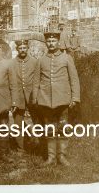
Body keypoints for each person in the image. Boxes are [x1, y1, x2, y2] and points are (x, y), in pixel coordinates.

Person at [32, 31, 80, 167]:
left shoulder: (67, 58)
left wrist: (75, 97)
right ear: (46, 43)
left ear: (58, 42)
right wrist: (35, 98)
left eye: (53, 41)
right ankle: (51, 157)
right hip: (46, 100)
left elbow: (74, 79)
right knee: (50, 129)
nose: (51, 43)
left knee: (63, 128)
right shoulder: (41, 60)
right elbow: (36, 81)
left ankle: (62, 157)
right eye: (48, 41)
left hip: (63, 100)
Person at [10, 39, 38, 153]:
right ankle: (20, 148)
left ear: (27, 48)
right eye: (20, 48)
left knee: (37, 121)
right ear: (17, 49)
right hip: (17, 96)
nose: (22, 50)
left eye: (24, 48)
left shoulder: (35, 62)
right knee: (17, 123)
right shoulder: (11, 63)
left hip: (32, 95)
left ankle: (41, 145)